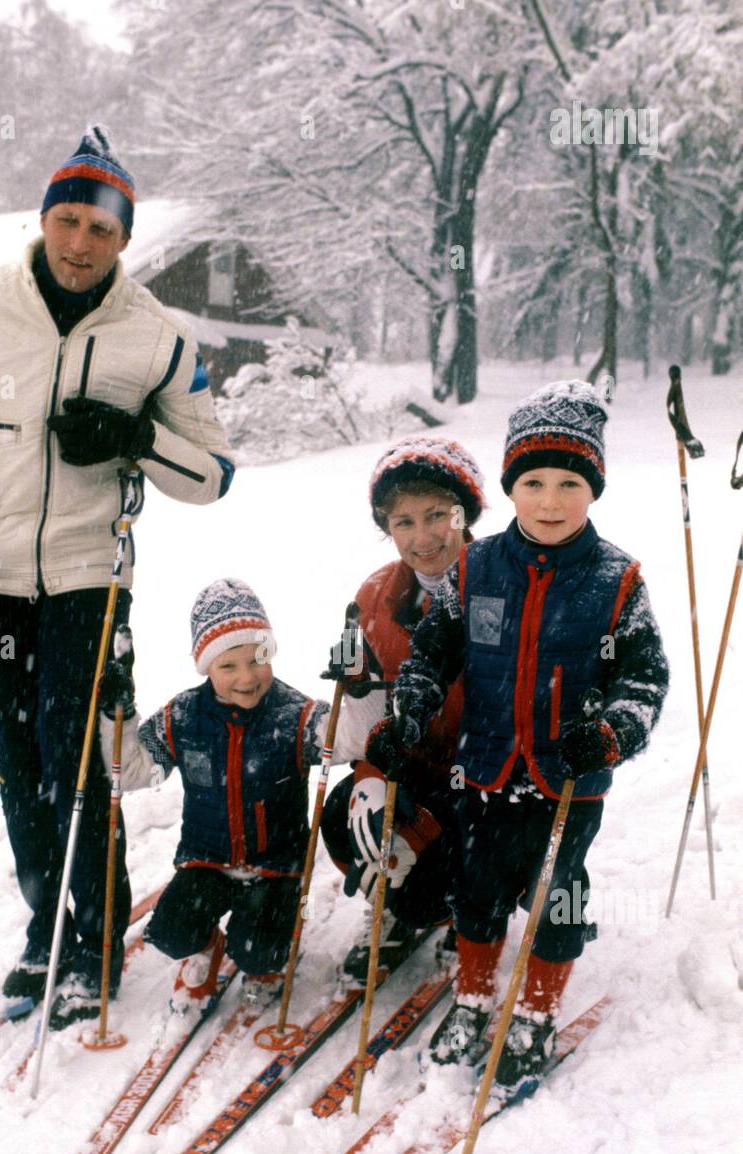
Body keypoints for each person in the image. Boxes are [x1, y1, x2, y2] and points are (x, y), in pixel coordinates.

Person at [0, 126, 236, 1029]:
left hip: (90, 576)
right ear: (44, 219)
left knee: (76, 766)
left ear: (124, 240)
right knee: (17, 765)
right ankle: (48, 925)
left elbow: (214, 475)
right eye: (68, 220)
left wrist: (134, 438)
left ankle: (96, 938)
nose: (81, 243)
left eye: (102, 230)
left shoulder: (156, 337)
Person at [367, 381, 669, 1086]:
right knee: (476, 895)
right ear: (509, 488)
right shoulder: (475, 568)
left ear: (592, 489)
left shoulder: (615, 580)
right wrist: (408, 707)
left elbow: (645, 679)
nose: (550, 500)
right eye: (533, 482)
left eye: (569, 483)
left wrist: (613, 731)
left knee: (558, 899)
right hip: (486, 771)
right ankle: (472, 1001)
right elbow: (432, 653)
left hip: (569, 782)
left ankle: (534, 1013)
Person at [98, 579, 385, 1014]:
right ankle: (209, 946)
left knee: (257, 952)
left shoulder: (294, 715)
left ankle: (267, 958)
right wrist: (115, 716)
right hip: (206, 862)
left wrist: (361, 688)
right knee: (171, 932)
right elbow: (130, 771)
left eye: (257, 659)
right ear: (205, 668)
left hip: (275, 868)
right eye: (228, 666)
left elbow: (356, 739)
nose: (247, 677)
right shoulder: (184, 717)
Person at [320, 436, 487, 982]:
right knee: (347, 815)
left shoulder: (504, 583)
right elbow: (367, 716)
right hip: (416, 762)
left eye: (437, 515)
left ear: (466, 513)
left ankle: (475, 911)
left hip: (490, 776)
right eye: (403, 523)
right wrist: (371, 774)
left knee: (439, 869)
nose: (423, 537)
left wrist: (439, 810)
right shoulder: (373, 596)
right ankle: (400, 907)